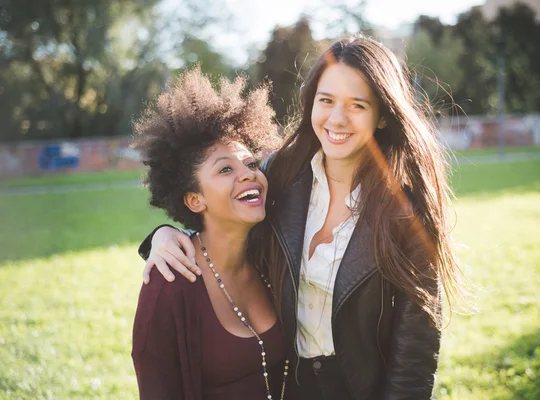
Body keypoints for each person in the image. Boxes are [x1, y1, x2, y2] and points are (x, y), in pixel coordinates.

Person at [139, 36, 462, 399]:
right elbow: (221, 207)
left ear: (383, 116)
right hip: (287, 387)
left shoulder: (406, 215)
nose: (336, 119)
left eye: (357, 105)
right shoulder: (280, 175)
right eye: (326, 100)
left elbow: (414, 355)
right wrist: (164, 235)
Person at [130, 67, 290, 399]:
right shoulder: (169, 280)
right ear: (195, 199)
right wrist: (160, 236)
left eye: (250, 164)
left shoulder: (272, 256)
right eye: (225, 169)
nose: (247, 175)